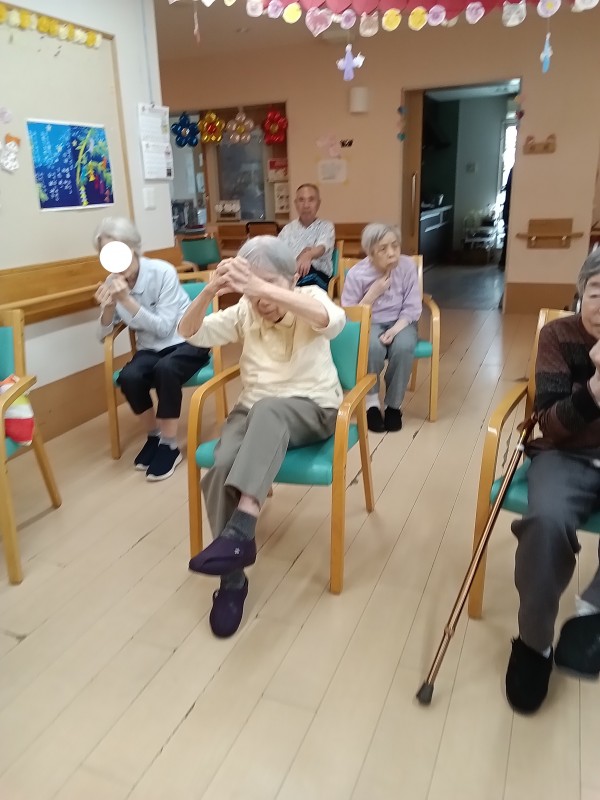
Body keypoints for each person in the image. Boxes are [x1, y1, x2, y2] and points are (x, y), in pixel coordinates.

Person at [178, 236, 346, 638]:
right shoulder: (244, 310)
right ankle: (233, 578)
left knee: (270, 408)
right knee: (221, 466)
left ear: (291, 279)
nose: (259, 298)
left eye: (269, 283)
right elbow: (189, 332)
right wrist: (210, 290)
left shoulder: (309, 296)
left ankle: (241, 529)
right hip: (252, 409)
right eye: (250, 287)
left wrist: (260, 287)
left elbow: (332, 321)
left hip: (312, 408)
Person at [505, 249, 600, 715]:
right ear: (581, 293)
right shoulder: (557, 336)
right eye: (597, 290)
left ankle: (592, 612)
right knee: (545, 521)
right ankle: (534, 643)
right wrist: (596, 386)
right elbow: (552, 424)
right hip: (566, 454)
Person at [94, 216, 210, 480]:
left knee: (165, 369)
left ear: (132, 246)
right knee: (130, 376)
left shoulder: (162, 272)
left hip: (186, 341)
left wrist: (126, 300)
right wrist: (109, 308)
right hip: (150, 349)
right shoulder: (112, 281)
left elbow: (164, 328)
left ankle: (169, 446)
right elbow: (103, 336)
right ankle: (154, 436)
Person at [341, 223, 421, 433]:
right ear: (370, 253)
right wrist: (372, 294)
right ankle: (372, 404)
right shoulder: (357, 274)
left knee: (403, 347)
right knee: (372, 347)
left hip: (402, 321)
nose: (392, 253)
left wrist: (394, 330)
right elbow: (350, 313)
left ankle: (393, 406)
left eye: (395, 245)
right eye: (383, 249)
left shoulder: (407, 267)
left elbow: (412, 307)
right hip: (370, 322)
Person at [278, 183, 335, 292]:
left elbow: (322, 247)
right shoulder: (287, 229)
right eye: (301, 200)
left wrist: (308, 255)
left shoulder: (326, 226)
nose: (306, 205)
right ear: (295, 204)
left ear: (318, 203)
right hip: (292, 276)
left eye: (311, 200)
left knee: (307, 277)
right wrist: (297, 259)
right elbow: (278, 256)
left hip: (318, 276)